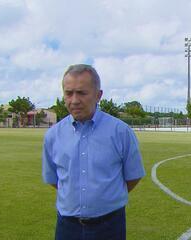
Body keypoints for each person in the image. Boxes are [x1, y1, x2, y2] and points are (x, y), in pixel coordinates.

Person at [42, 64, 145, 240]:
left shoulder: (120, 132)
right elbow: (54, 179)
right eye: (69, 93)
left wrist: (104, 198)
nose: (74, 100)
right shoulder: (53, 135)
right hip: (67, 227)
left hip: (109, 226)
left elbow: (133, 177)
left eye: (82, 93)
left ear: (98, 95)